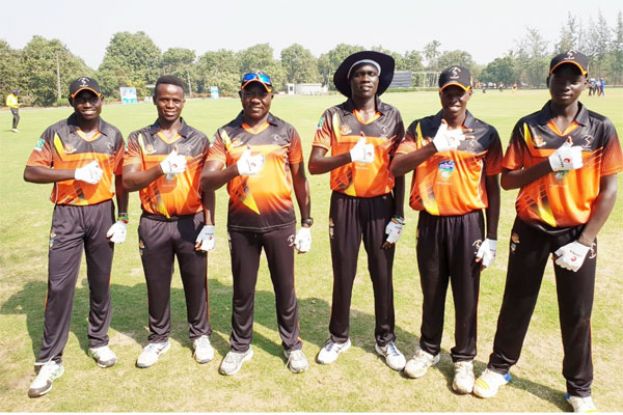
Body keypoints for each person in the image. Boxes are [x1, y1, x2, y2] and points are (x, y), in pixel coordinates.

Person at [472, 51, 622, 412]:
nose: (567, 85)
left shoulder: (600, 128)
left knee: (577, 311)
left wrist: (584, 242)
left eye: (575, 78)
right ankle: (500, 367)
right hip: (531, 226)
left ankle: (579, 387)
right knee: (518, 300)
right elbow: (507, 180)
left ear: (586, 82)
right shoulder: (528, 125)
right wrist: (547, 164)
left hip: (576, 232)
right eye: (560, 77)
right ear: (549, 80)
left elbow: (609, 190)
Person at [390, 65, 502, 393]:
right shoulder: (421, 128)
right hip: (431, 220)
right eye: (448, 91)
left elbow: (493, 187)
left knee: (466, 294)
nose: (454, 97)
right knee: (432, 290)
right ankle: (428, 349)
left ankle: (464, 359)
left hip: (468, 223)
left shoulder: (485, 133)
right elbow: (397, 167)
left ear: (471, 92)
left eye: (460, 90)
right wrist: (432, 147)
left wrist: (492, 237)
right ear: (440, 93)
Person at [201, 71, 312, 375]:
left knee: (285, 288)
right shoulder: (226, 134)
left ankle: (292, 346)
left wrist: (307, 223)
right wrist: (234, 168)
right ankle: (240, 347)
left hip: (281, 224)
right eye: (249, 92)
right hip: (242, 226)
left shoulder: (286, 132)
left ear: (271, 96)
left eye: (261, 93)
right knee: (243, 290)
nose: (255, 99)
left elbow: (301, 179)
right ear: (241, 96)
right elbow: (207, 180)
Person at [23, 77, 128, 398]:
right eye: (80, 99)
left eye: (92, 98)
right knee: (59, 285)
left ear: (101, 100)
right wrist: (74, 173)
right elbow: (31, 172)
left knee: (100, 280)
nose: (86, 104)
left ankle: (99, 341)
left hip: (101, 214)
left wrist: (123, 217)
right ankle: (50, 359)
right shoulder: (56, 133)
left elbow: (121, 179)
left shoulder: (113, 135)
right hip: (67, 215)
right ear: (72, 101)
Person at [308, 51, 407, 371]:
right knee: (344, 272)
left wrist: (399, 214)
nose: (365, 79)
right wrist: (347, 156)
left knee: (382, 273)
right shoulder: (333, 116)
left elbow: (400, 168)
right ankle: (339, 337)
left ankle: (385, 339)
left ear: (379, 81)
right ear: (349, 81)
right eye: (359, 74)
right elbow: (314, 164)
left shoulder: (392, 117)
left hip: (381, 204)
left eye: (370, 75)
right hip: (345, 203)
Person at [122, 75, 214, 369]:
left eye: (176, 99)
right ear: (155, 100)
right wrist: (159, 168)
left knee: (196, 282)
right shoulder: (139, 138)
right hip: (154, 222)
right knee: (157, 283)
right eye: (164, 99)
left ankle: (200, 335)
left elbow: (207, 186)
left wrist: (210, 224)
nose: (170, 105)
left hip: (191, 221)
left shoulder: (198, 139)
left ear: (183, 101)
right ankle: (158, 338)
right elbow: (129, 180)